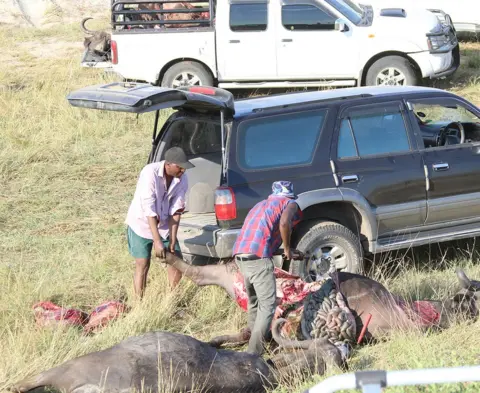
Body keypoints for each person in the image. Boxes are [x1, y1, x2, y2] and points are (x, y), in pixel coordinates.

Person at [232, 180, 303, 355]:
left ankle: (251, 335)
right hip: (258, 259)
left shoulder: (261, 205)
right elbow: (285, 223)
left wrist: (286, 251)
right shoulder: (289, 203)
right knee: (268, 304)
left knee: (254, 301)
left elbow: (262, 235)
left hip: (240, 255)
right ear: (289, 195)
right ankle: (253, 354)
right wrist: (286, 248)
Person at [125, 147, 194, 299]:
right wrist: (157, 241)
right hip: (141, 223)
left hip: (163, 225)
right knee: (143, 264)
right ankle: (139, 303)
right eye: (180, 167)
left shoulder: (182, 178)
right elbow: (148, 210)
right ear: (168, 164)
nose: (183, 170)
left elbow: (176, 209)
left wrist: (173, 237)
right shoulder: (149, 173)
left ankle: (172, 299)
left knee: (174, 260)